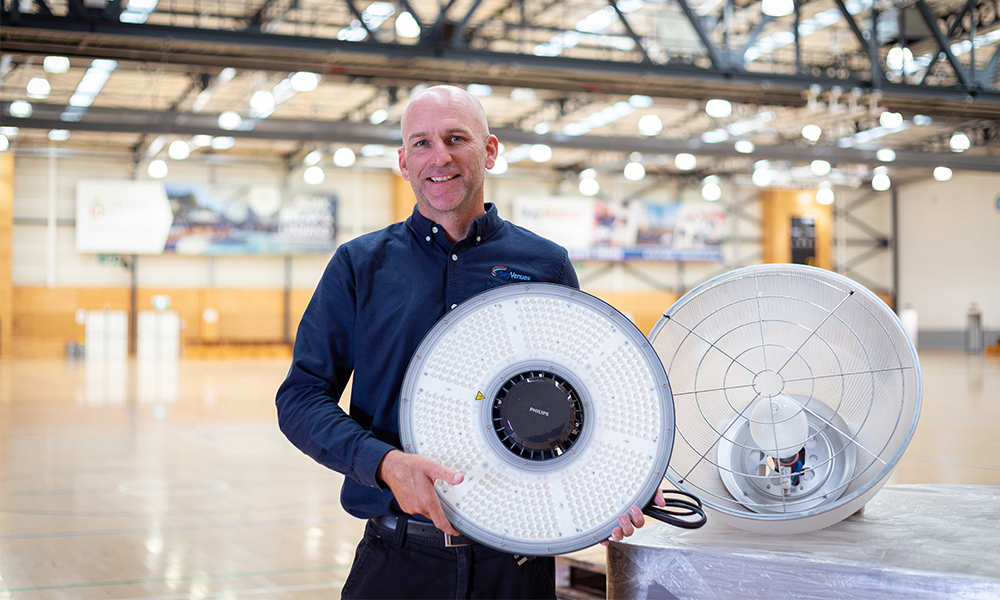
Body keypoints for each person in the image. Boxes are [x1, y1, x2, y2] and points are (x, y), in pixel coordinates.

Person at [276, 85, 663, 599]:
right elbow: (300, 398)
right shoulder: (360, 265)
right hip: (398, 560)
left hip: (517, 568)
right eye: (422, 143)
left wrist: (619, 482)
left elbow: (582, 399)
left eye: (456, 138)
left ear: (490, 150)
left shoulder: (545, 264)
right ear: (403, 161)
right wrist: (384, 462)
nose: (439, 157)